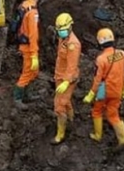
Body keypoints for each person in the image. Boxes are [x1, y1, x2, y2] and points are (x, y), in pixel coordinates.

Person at [83, 28, 124, 150]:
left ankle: (98, 135)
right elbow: (123, 73)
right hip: (118, 89)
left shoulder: (101, 59)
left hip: (104, 90)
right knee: (113, 114)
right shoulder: (122, 54)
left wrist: (91, 93)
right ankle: (123, 140)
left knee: (97, 111)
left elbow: (98, 79)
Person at [50, 12, 81, 145]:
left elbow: (72, 66)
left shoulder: (73, 45)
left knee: (59, 105)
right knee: (66, 101)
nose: (61, 32)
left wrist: (66, 82)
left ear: (70, 27)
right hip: (60, 76)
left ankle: (60, 134)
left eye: (63, 30)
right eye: (59, 30)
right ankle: (72, 120)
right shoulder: (63, 39)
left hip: (67, 79)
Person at [12, 0, 40, 109]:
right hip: (29, 47)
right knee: (27, 73)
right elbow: (33, 34)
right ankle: (17, 98)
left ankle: (26, 94)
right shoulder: (32, 12)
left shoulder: (24, 5)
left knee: (34, 72)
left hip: (25, 44)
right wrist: (34, 55)